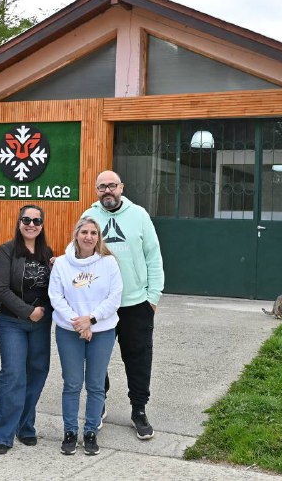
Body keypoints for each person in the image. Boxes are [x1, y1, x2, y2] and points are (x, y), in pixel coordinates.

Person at [82, 170, 164, 440]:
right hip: (100, 306)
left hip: (135, 303)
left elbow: (153, 256)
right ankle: (99, 403)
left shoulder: (139, 215)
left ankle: (138, 410)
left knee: (138, 359)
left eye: (112, 186)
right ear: (96, 190)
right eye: (102, 187)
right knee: (97, 359)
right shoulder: (89, 215)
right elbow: (79, 254)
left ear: (121, 188)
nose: (107, 191)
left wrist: (153, 297)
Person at [49, 216, 122, 456]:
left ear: (98, 237)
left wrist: (91, 319)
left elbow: (114, 297)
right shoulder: (62, 263)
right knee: (72, 383)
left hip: (102, 331)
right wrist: (79, 323)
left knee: (95, 384)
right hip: (69, 331)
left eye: (93, 233)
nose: (89, 237)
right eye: (84, 232)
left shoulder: (109, 263)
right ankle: (70, 432)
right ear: (76, 235)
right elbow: (56, 297)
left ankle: (91, 432)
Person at [0, 205, 54, 454]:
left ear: (42, 225)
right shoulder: (7, 251)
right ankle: (1, 434)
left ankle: (25, 426)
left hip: (41, 323)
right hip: (13, 321)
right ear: (19, 222)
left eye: (36, 221)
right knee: (13, 375)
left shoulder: (47, 253)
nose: (31, 224)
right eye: (26, 220)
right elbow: (1, 289)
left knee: (37, 373)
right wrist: (28, 311)